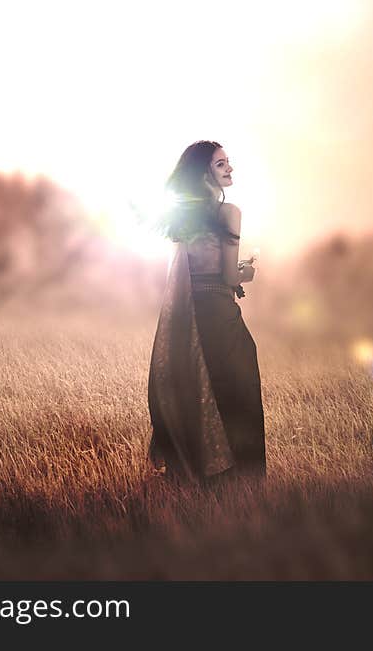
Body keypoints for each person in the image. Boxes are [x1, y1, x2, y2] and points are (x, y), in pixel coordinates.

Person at [147, 140, 266, 486]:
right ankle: (242, 482)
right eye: (220, 164)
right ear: (203, 173)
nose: (229, 169)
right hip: (218, 312)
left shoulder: (183, 219)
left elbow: (195, 270)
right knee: (237, 390)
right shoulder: (229, 213)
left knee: (201, 391)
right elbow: (229, 276)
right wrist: (246, 272)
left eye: (228, 162)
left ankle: (201, 479)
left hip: (190, 314)